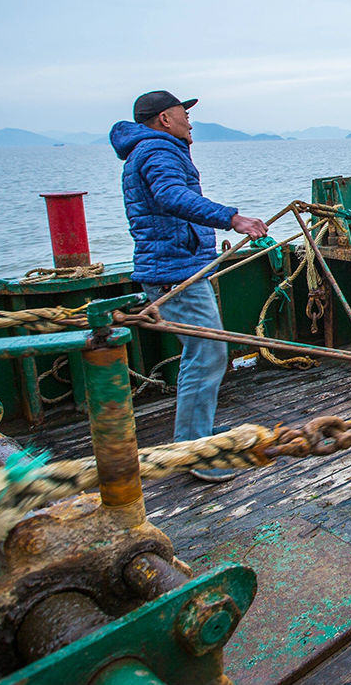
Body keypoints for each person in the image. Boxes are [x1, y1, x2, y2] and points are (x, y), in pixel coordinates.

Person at [110, 90, 268, 483]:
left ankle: (195, 435)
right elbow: (171, 196)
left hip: (177, 265)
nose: (190, 120)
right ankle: (195, 453)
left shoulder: (152, 149)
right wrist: (232, 219)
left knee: (204, 352)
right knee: (209, 353)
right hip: (172, 270)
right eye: (184, 113)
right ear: (165, 118)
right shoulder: (157, 150)